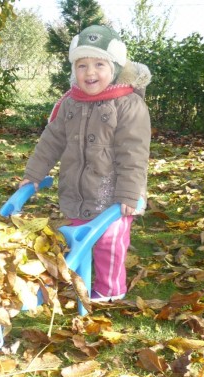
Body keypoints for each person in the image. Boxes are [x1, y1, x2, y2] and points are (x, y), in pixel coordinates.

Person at [19, 25, 152, 302]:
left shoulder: (127, 105)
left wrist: (129, 192)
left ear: (114, 67)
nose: (90, 72)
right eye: (82, 65)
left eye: (99, 64)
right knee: (75, 238)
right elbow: (51, 141)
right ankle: (80, 279)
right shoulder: (70, 104)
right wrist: (33, 174)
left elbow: (134, 152)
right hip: (78, 192)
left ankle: (110, 290)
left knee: (108, 243)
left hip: (114, 196)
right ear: (74, 70)